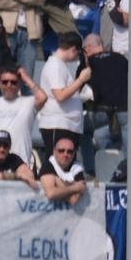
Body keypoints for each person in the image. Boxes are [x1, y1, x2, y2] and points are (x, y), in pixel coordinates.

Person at [38, 32, 89, 164]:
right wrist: (81, 79)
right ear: (73, 49)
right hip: (58, 124)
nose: (77, 56)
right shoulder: (55, 66)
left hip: (66, 125)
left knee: (66, 168)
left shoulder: (60, 65)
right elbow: (60, 95)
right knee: (56, 165)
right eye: (78, 53)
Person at [39, 136, 86, 204]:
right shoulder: (48, 165)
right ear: (54, 151)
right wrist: (75, 188)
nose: (65, 154)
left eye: (70, 152)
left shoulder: (77, 168)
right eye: (61, 151)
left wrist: (57, 181)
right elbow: (51, 193)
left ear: (74, 153)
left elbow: (73, 200)